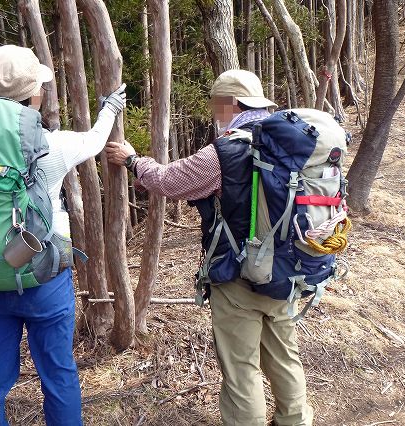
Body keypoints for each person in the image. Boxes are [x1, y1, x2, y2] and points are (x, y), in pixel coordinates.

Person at [105, 69, 313, 426]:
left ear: (231, 103)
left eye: (218, 106)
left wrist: (132, 160)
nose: (215, 114)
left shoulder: (226, 150)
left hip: (239, 276)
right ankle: (295, 420)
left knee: (241, 366)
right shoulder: (292, 144)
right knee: (284, 354)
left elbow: (169, 180)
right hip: (289, 270)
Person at [0, 44, 126, 425]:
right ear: (34, 93)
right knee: (57, 372)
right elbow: (94, 141)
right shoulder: (49, 145)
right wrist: (110, 108)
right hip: (43, 275)